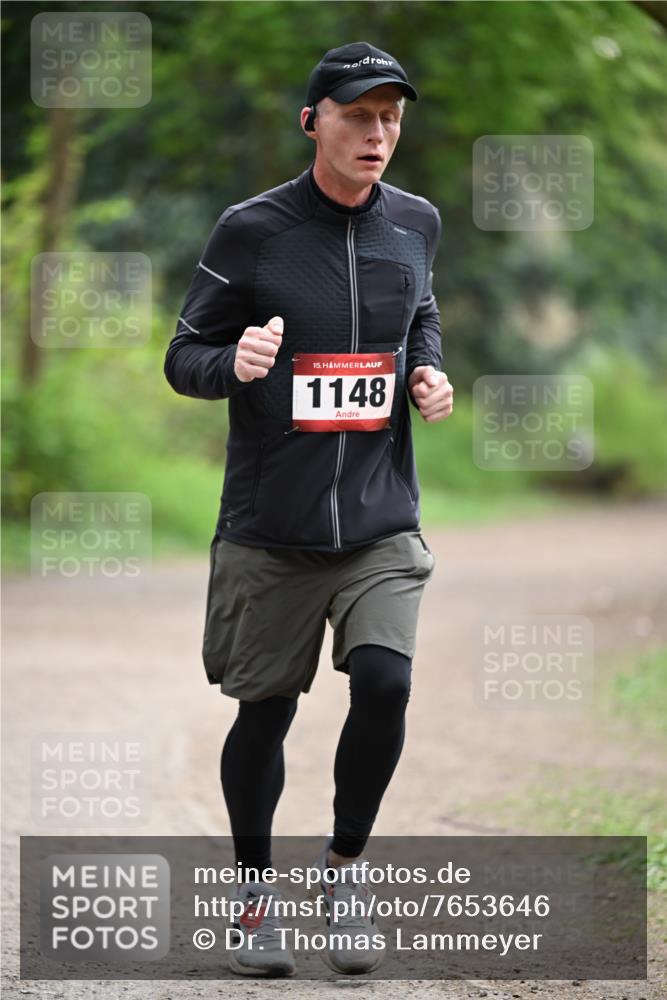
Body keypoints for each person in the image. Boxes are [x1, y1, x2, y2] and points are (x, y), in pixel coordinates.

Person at [164, 40, 453, 978]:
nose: (378, 133)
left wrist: (425, 369)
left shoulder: (415, 222)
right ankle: (253, 902)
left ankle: (342, 874)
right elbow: (183, 356)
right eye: (358, 115)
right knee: (266, 712)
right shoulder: (251, 230)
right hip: (270, 525)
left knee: (386, 683)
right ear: (312, 122)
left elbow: (419, 312)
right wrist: (232, 365)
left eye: (390, 118)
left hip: (379, 516)